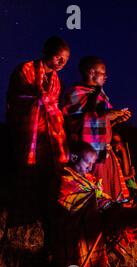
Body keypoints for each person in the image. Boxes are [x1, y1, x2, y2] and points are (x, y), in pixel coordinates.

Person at [3, 36, 70, 247]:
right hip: (27, 136)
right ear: (46, 52)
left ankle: (49, 238)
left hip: (49, 139)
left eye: (65, 59)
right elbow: (16, 100)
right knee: (21, 181)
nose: (61, 62)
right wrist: (40, 101)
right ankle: (14, 229)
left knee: (50, 185)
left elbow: (54, 105)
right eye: (58, 57)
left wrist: (51, 107)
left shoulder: (57, 81)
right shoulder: (25, 70)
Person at [62, 56, 132, 202]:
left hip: (105, 151)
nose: (106, 76)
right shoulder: (75, 93)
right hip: (88, 155)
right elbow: (76, 124)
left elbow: (101, 124)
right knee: (95, 197)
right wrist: (106, 115)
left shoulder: (100, 94)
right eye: (103, 72)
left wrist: (116, 119)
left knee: (109, 196)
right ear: (91, 72)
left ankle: (109, 221)